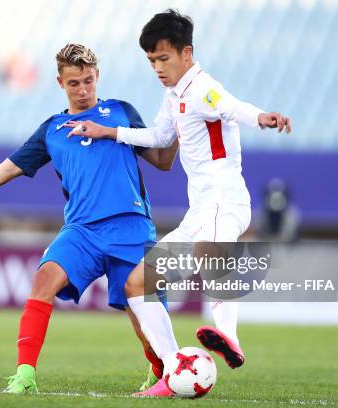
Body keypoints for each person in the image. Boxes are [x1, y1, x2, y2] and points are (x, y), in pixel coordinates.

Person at [0, 43, 179, 394]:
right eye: (74, 83)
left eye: (88, 80)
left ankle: (160, 368)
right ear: (60, 83)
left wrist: (179, 123)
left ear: (97, 76)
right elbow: (0, 171)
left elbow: (162, 161)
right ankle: (24, 375)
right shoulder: (52, 130)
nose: (83, 90)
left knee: (141, 314)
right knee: (44, 279)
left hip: (130, 225)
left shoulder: (121, 112)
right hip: (81, 231)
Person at [66, 10, 291, 396]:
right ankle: (174, 371)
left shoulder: (203, 87)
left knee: (211, 255)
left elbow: (232, 106)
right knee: (139, 283)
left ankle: (230, 338)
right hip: (200, 210)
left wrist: (263, 118)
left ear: (187, 53)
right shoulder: (174, 96)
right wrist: (105, 131)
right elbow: (158, 136)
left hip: (224, 199)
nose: (157, 67)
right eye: (151, 60)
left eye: (163, 58)